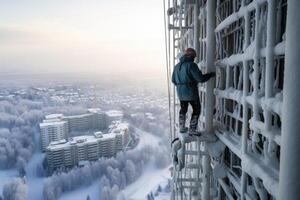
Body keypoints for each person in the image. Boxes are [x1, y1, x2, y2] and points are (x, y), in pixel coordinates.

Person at [172, 48, 215, 134]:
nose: (194, 58)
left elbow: (173, 80)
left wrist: (181, 85)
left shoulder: (177, 67)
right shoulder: (191, 65)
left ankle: (182, 127)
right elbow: (200, 78)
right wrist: (210, 75)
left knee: (183, 109)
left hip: (180, 93)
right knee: (197, 109)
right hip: (190, 92)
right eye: (194, 57)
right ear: (191, 56)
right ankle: (192, 129)